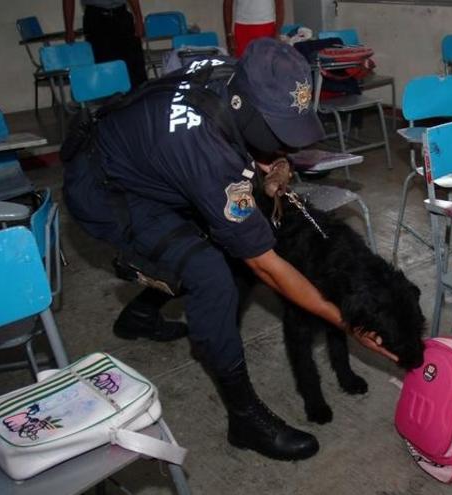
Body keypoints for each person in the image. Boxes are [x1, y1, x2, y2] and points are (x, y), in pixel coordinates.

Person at [62, 38, 397, 461]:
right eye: (277, 132)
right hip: (107, 191)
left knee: (222, 239)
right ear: (243, 106)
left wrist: (268, 159)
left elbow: (230, 135)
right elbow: (266, 265)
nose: (285, 145)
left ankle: (140, 314)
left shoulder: (234, 75)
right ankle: (244, 418)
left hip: (141, 157)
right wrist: (348, 323)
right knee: (213, 273)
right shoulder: (208, 156)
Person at [63, 0, 148, 88]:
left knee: (135, 69)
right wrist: (69, 29)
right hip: (96, 19)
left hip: (121, 14)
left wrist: (138, 18)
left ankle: (140, 94)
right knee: (105, 70)